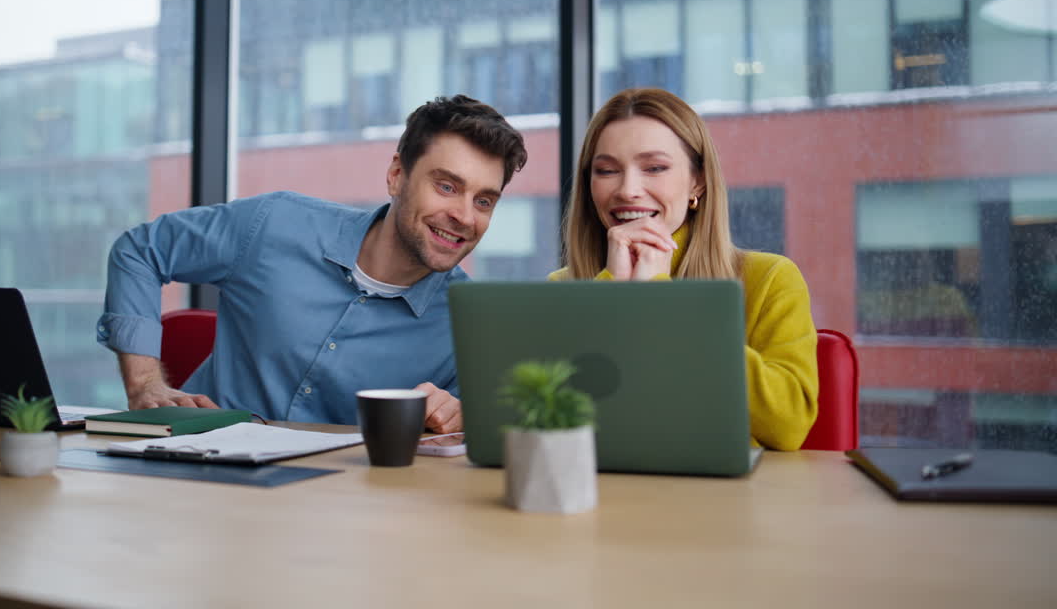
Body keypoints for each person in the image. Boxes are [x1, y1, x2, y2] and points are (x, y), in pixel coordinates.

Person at [97, 95, 527, 434]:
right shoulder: (275, 224)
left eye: (484, 200)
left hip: (334, 519)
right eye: (447, 186)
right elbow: (140, 250)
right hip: (187, 476)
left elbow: (470, 439)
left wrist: (461, 417)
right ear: (397, 175)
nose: (466, 217)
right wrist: (145, 384)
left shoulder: (468, 322)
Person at [550, 87, 818, 450]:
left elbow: (787, 427)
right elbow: (556, 425)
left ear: (699, 180)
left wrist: (663, 302)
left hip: (723, 499)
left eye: (655, 168)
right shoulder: (562, 288)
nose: (628, 190)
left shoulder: (768, 280)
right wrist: (609, 293)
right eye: (606, 170)